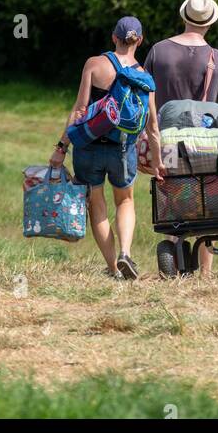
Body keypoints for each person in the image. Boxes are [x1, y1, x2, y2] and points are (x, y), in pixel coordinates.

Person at [50, 17, 162, 281]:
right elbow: (153, 125)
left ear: (114, 37)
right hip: (123, 149)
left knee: (96, 205)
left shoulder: (94, 64)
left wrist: (61, 147)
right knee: (125, 200)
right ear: (140, 41)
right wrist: (157, 162)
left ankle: (113, 269)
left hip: (88, 147)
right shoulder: (145, 78)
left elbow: (79, 110)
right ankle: (125, 252)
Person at [143, 0, 218, 279]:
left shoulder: (158, 51)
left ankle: (174, 258)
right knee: (205, 194)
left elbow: (144, 96)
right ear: (209, 23)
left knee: (175, 194)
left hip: (168, 141)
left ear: (184, 17)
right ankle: (205, 273)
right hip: (206, 143)